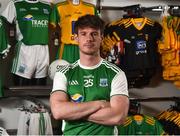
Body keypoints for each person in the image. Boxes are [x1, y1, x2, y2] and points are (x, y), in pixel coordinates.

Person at [50, 14, 129, 135]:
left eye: (94, 34)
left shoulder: (116, 73)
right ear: (76, 38)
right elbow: (58, 111)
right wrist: (100, 104)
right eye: (83, 33)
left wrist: (74, 111)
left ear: (101, 38)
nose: (89, 38)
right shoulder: (64, 73)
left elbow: (118, 117)